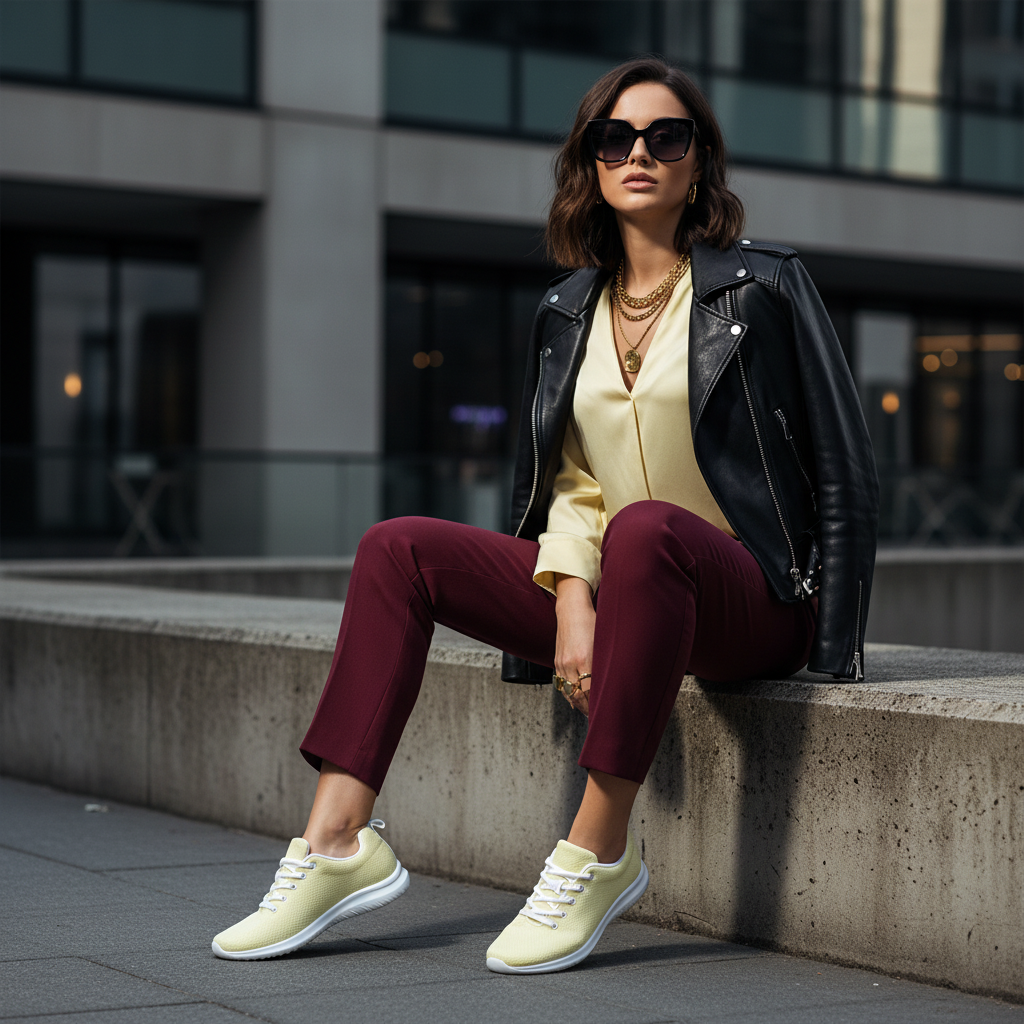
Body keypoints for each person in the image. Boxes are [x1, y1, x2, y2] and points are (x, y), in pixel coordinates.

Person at [211, 57, 878, 973]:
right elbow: (571, 483)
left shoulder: (763, 288)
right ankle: (336, 843)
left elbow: (845, 468)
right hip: (620, 585)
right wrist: (570, 599)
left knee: (648, 529)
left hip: (749, 598)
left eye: (665, 136)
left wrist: (835, 648)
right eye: (617, 137)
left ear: (698, 165)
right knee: (396, 547)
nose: (639, 152)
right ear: (591, 164)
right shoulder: (568, 309)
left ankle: (600, 850)